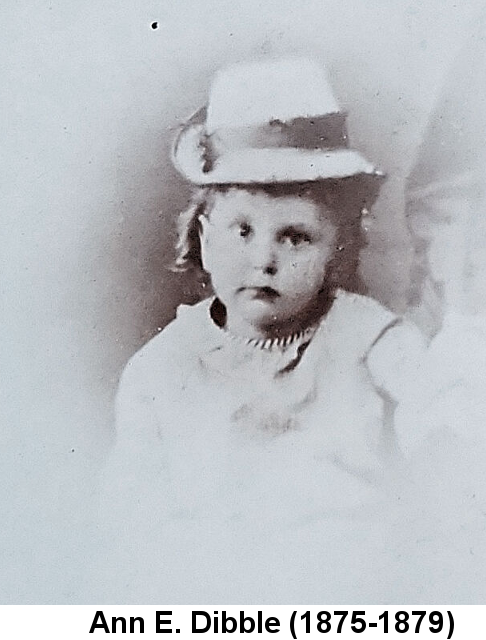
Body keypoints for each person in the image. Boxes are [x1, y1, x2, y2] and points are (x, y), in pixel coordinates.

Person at [100, 58, 426, 602]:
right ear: (202, 236)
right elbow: (130, 520)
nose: (264, 260)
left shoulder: (371, 340)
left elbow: (445, 417)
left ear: (336, 247)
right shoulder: (163, 369)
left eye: (295, 237)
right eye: (242, 230)